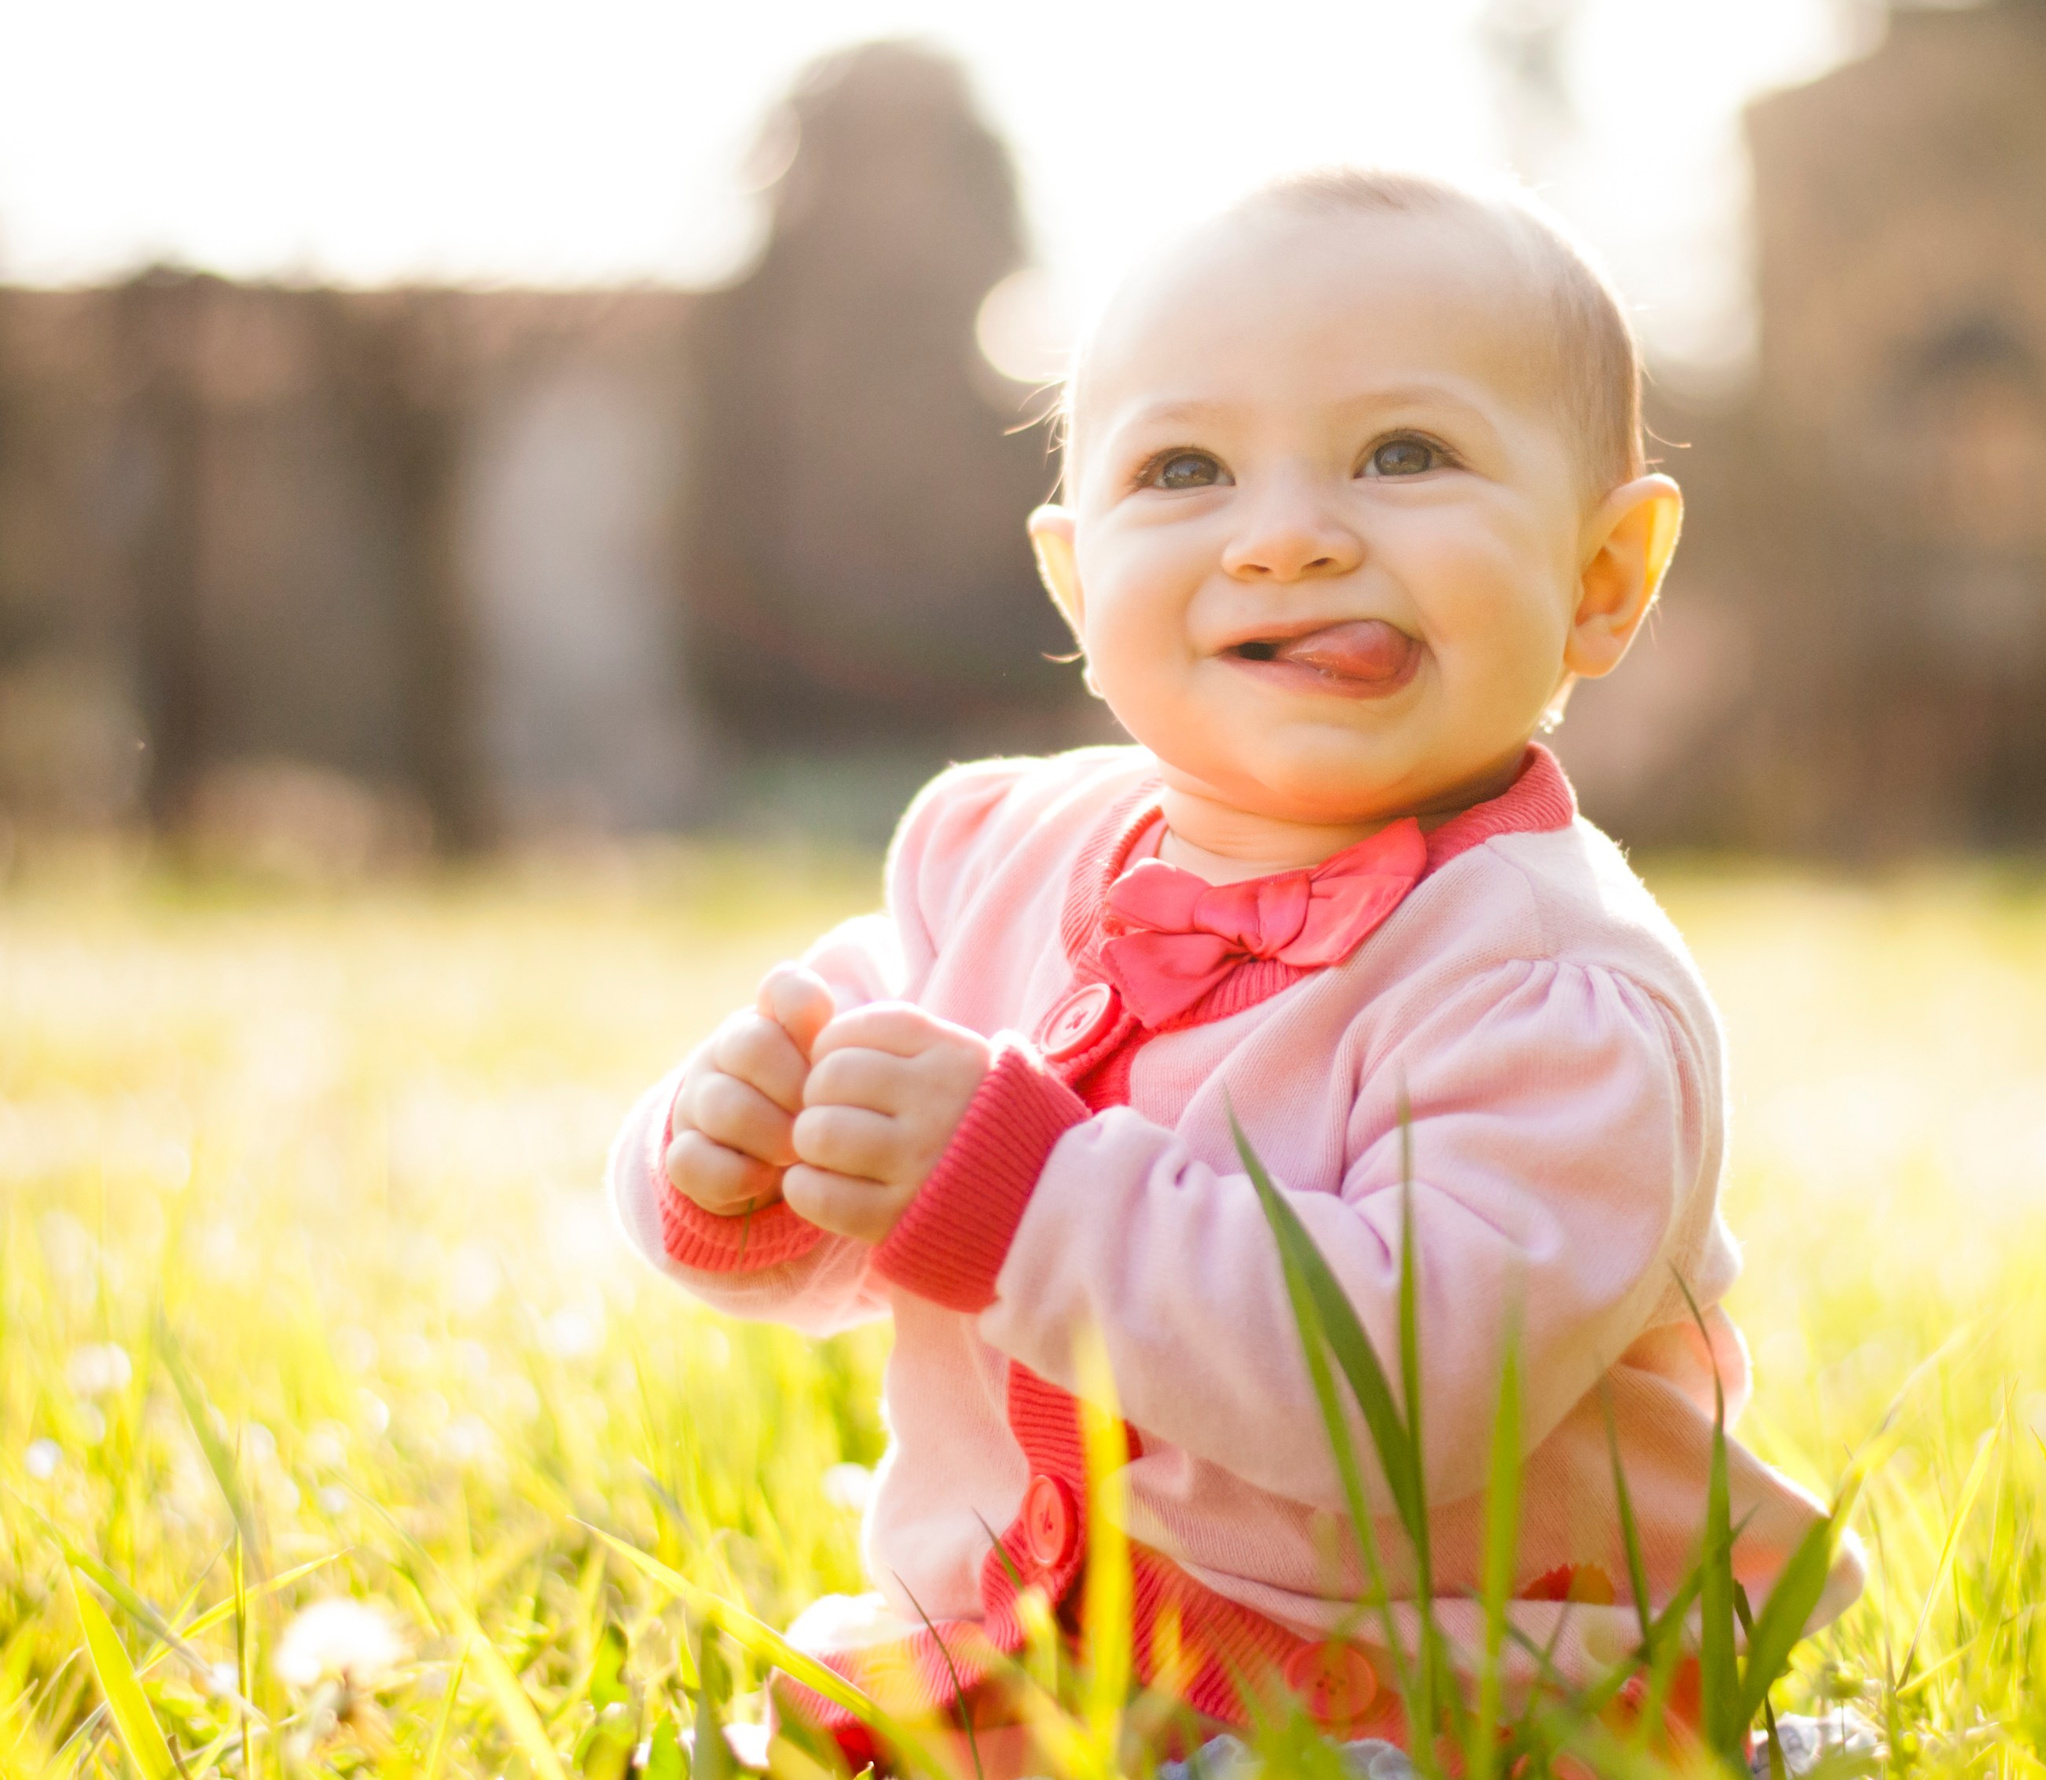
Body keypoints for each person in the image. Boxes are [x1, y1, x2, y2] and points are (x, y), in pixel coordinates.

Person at [608, 168, 1864, 1775]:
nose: (1283, 538)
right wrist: (740, 1162)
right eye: (1185, 468)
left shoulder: (1556, 992)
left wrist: (1024, 1191)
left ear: (1604, 576)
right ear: (1077, 584)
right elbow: (851, 1177)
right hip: (1042, 1665)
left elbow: (1395, 1398)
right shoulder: (993, 862)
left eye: (1404, 454)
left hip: (1445, 1693)